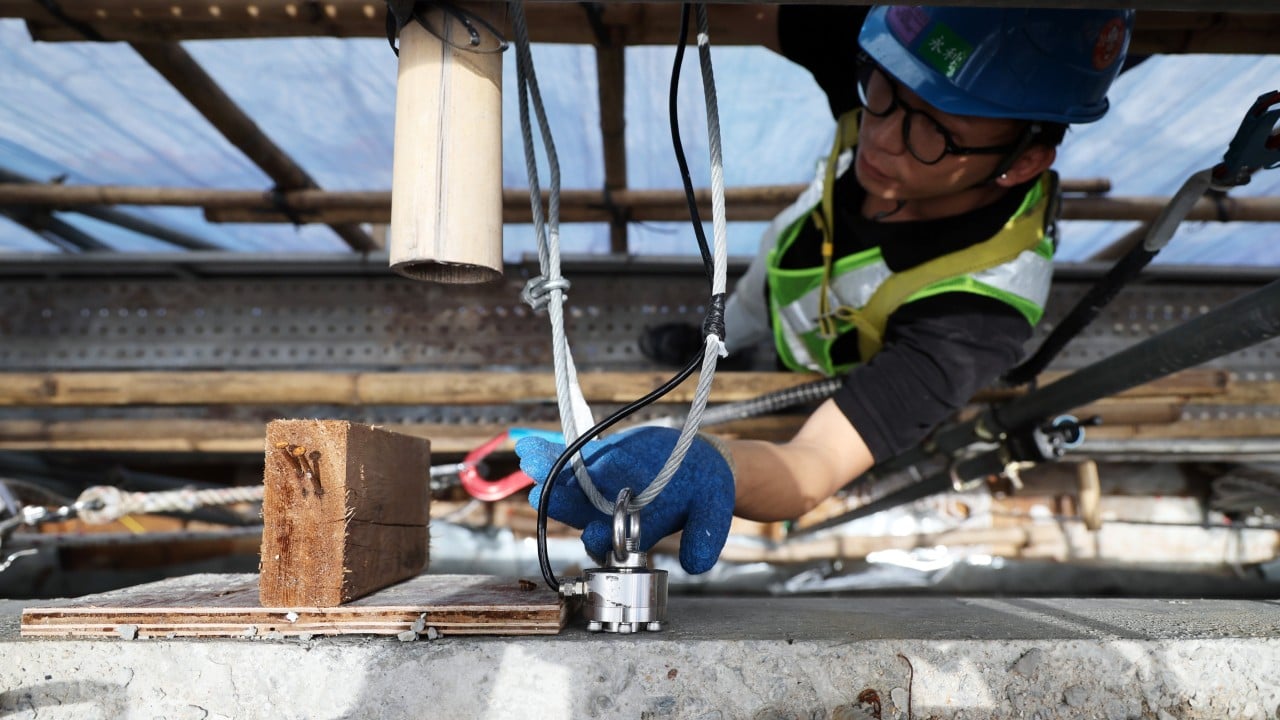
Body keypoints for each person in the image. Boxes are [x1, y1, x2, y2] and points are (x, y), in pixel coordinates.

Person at [516, 5, 1136, 574]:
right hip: (786, 280)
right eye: (884, 93)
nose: (882, 137)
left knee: (778, 378)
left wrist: (713, 462)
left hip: (828, 367)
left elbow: (813, 463)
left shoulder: (978, 313)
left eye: (933, 135)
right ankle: (713, 339)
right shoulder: (912, 60)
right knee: (735, 320)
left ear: (1022, 162)